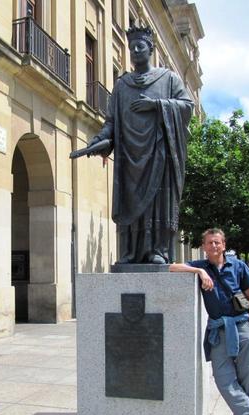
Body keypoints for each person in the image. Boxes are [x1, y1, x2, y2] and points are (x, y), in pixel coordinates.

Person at [87, 26, 194, 265]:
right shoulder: (122, 85)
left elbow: (187, 107)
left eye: (140, 46)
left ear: (151, 49)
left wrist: (156, 105)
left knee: (157, 203)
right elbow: (111, 122)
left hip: (158, 153)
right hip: (129, 156)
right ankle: (131, 253)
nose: (135, 51)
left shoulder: (168, 79)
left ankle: (158, 250)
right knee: (131, 203)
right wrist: (100, 140)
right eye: (132, 47)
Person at [170, 228, 249, 415]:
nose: (213, 246)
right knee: (225, 380)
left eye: (217, 242)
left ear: (224, 245)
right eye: (209, 243)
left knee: (248, 378)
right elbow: (171, 267)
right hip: (218, 330)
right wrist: (199, 272)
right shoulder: (201, 266)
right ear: (204, 246)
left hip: (242, 325)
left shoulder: (238, 265)